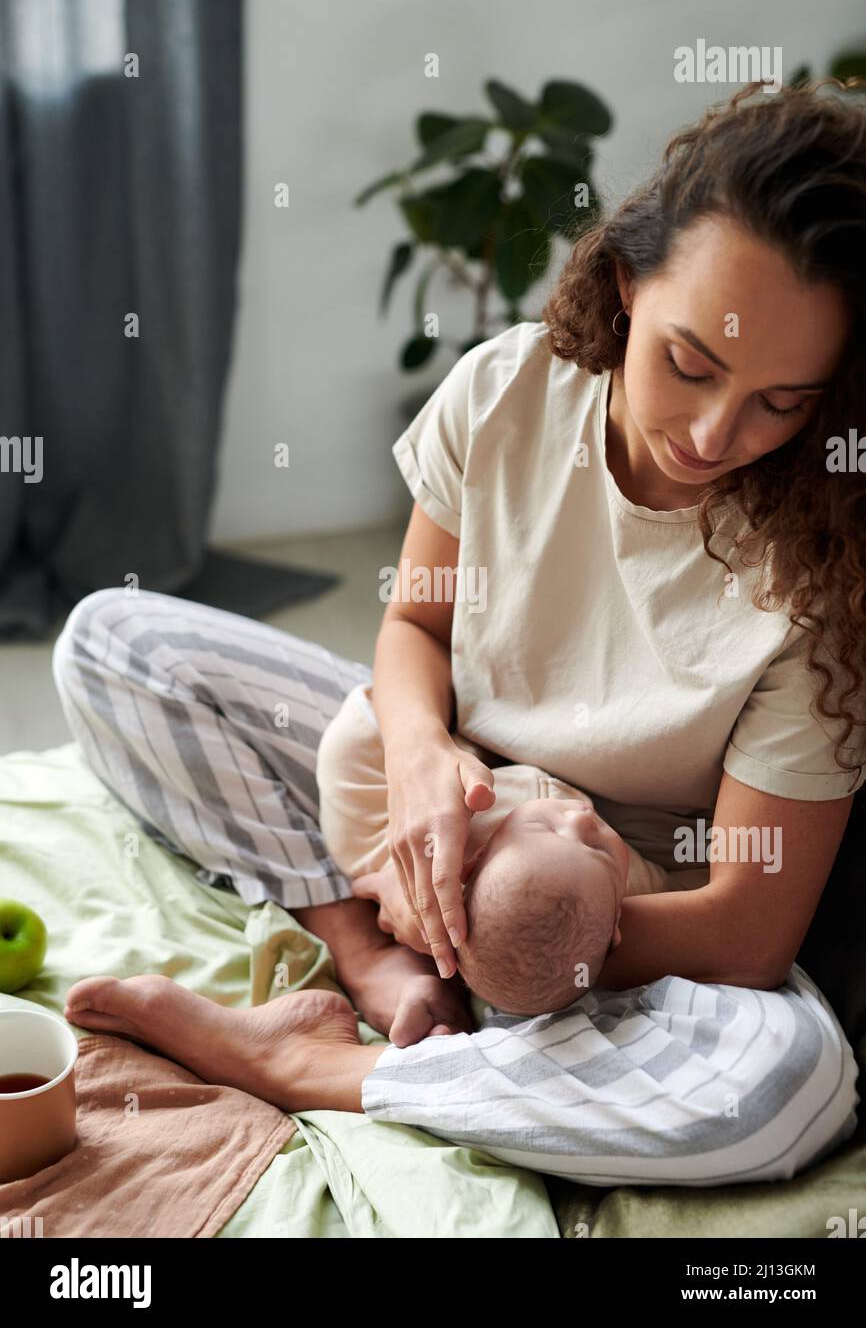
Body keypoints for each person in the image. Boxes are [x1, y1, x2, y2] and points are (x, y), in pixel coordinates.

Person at [56, 77, 866, 1185]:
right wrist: (425, 754)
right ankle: (364, 961)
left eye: (782, 401)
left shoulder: (825, 562)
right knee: (113, 642)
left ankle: (331, 1070)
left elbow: (745, 932)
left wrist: (505, 927)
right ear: (626, 282)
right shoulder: (504, 393)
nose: (718, 433)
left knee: (784, 1094)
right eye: (690, 362)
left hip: (619, 899)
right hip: (449, 778)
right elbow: (414, 625)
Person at [315, 678, 711, 1018]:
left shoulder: (378, 832)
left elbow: (351, 747)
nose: (582, 820)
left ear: (472, 861)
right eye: (600, 850)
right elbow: (693, 887)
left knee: (338, 779)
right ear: (616, 930)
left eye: (546, 828)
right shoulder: (627, 888)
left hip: (377, 857)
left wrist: (429, 750)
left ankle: (409, 983)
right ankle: (423, 986)